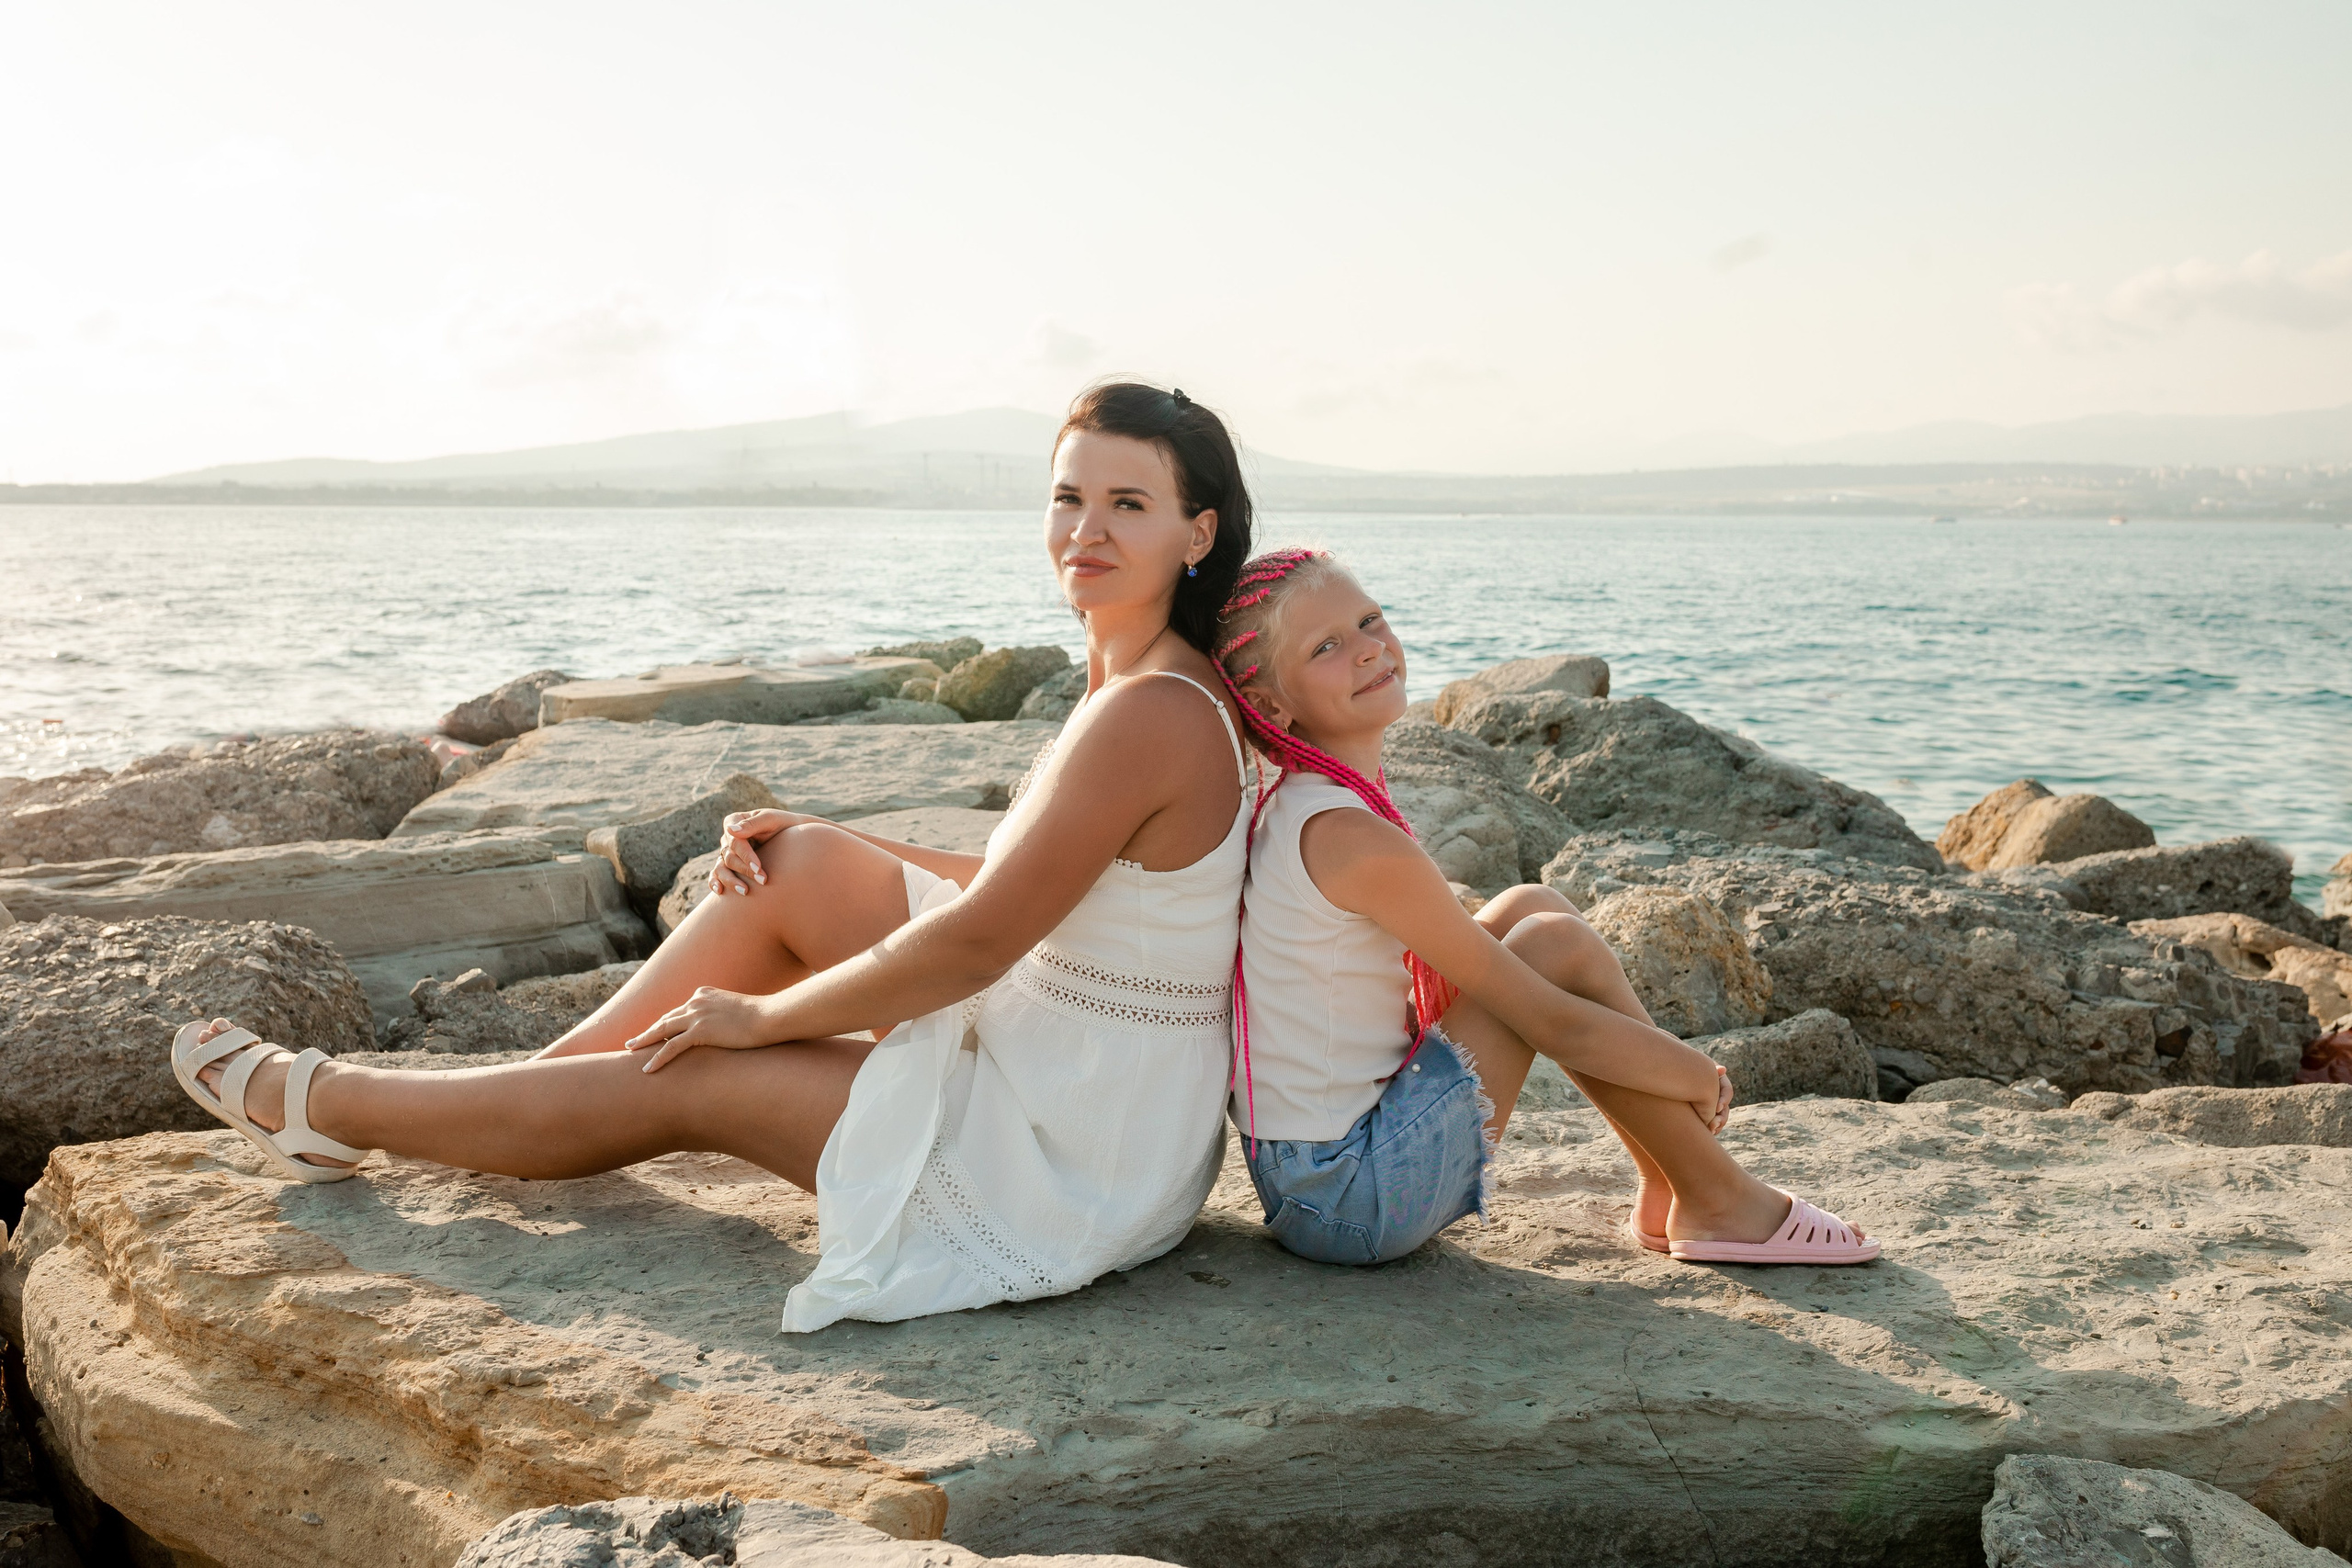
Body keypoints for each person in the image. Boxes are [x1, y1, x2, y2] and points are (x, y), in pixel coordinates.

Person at [172, 381, 1261, 1331]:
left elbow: (979, 942)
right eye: (1070, 496)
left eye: (1129, 505)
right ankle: (529, 1103)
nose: (1087, 529)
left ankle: (330, 1107)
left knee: (696, 1070)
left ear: (1196, 533)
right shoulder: (1137, 676)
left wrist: (765, 1019)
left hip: (1065, 1158)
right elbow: (1033, 887)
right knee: (799, 865)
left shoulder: (1151, 711)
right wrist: (822, 831)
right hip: (1065, 1066)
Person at [1208, 547, 1878, 1268]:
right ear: (1274, 705)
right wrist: (1692, 1073)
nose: (1370, 648)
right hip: (1347, 1196)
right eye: (1327, 646)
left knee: (1533, 902)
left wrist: (1674, 1073)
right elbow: (1548, 1019)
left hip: (1318, 1172)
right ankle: (1715, 1194)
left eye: (1369, 619)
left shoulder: (1316, 802)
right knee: (1549, 946)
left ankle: (1671, 1180)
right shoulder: (1348, 837)